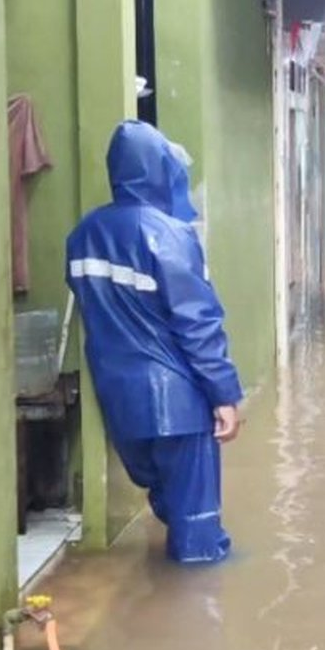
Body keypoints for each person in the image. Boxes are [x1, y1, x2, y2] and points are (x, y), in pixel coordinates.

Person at [66, 120, 243, 565]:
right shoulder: (171, 235)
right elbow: (197, 322)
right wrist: (224, 395)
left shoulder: (83, 235)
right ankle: (198, 616)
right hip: (179, 404)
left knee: (167, 501)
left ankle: (163, 606)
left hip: (120, 403)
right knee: (200, 537)